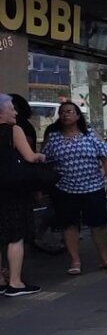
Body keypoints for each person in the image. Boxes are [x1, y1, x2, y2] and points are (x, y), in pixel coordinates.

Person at [42, 102, 107, 275]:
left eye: (69, 111)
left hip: (93, 187)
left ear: (78, 115)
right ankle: (75, 260)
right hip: (65, 189)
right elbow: (44, 161)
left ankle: (105, 258)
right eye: (62, 112)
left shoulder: (90, 135)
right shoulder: (54, 137)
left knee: (99, 225)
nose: (65, 115)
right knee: (69, 225)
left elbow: (106, 157)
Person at [0, 93, 45, 296]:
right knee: (15, 236)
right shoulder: (14, 130)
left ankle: (0, 280)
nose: (15, 112)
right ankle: (15, 282)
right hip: (13, 189)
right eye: (11, 108)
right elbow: (30, 156)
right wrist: (41, 156)